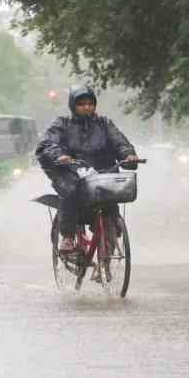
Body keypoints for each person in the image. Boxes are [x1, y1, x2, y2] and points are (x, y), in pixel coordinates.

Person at [36, 86, 138, 253]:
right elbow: (47, 144)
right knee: (70, 190)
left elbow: (120, 142)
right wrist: (59, 156)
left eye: (90, 103)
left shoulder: (104, 124)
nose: (86, 107)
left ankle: (109, 237)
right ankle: (68, 236)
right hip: (71, 172)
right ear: (72, 106)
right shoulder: (62, 123)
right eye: (81, 104)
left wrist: (128, 154)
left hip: (102, 173)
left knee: (112, 202)